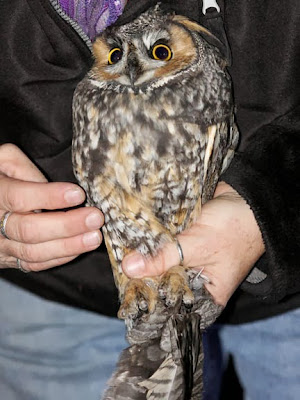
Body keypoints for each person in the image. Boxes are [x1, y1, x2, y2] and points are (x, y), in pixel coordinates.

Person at [0, 1, 299, 399]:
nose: (135, 69)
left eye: (160, 52)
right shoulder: (95, 93)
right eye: (117, 55)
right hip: (53, 295)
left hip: (289, 283)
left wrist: (266, 204)